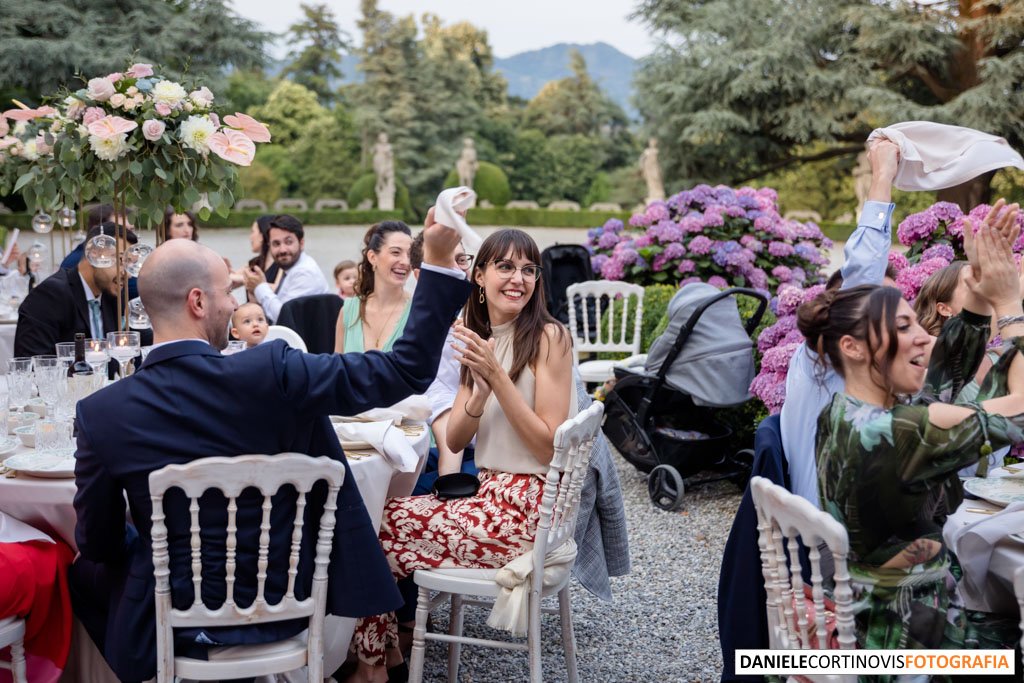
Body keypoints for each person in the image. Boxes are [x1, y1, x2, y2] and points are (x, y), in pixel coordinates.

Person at [68, 214, 470, 682]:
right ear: (198, 301)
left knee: (83, 572)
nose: (234, 304)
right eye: (227, 294)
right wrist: (439, 264)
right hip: (286, 604)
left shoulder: (100, 412)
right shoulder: (274, 371)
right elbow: (406, 370)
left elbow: (97, 540)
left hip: (167, 619)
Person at [349, 228, 576, 682]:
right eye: (505, 267)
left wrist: (498, 377)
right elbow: (453, 440)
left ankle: (372, 666)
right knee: (374, 518)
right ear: (479, 275)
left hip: (526, 514)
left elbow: (547, 446)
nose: (518, 279)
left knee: (371, 528)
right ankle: (386, 655)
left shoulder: (550, 337)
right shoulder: (482, 336)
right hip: (491, 498)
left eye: (528, 269)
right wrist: (476, 393)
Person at [797, 209, 1023, 654]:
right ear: (853, 347)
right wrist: (1011, 308)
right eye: (904, 327)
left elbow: (940, 385)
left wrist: (976, 296)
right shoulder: (903, 431)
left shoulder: (848, 412)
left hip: (874, 615)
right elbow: (1017, 413)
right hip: (919, 645)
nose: (924, 337)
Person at [780, 139, 900, 508]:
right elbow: (864, 271)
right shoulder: (825, 360)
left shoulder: (860, 368)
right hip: (834, 542)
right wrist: (882, 177)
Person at [408, 232, 477, 495]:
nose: (458, 271)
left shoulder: (483, 314)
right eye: (445, 264)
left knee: (403, 495)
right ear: (419, 276)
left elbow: (447, 410)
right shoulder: (425, 329)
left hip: (496, 453)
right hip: (458, 445)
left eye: (461, 260)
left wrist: (450, 485)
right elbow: (440, 403)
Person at [15, 222, 147, 358]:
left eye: (130, 263)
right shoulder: (51, 295)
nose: (128, 274)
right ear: (93, 254)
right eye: (120, 260)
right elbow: (34, 364)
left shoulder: (112, 297)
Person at [334, 222, 413, 353]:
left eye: (410, 255)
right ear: (372, 257)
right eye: (395, 252)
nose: (406, 262)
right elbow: (337, 368)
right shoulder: (348, 311)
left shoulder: (417, 313)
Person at [241, 214, 329, 323]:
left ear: (301, 243)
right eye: (276, 244)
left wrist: (260, 287)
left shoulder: (305, 272)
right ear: (269, 246)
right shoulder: (291, 268)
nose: (282, 250)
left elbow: (284, 318)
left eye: (288, 242)